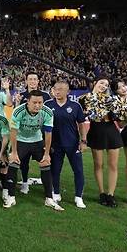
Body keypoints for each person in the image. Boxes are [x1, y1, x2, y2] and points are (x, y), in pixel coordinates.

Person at [6, 90, 63, 211]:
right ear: (28, 102)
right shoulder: (18, 111)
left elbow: (48, 133)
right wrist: (14, 152)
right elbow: (13, 132)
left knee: (45, 163)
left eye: (40, 102)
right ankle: (11, 197)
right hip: (21, 141)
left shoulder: (47, 112)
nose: (37, 105)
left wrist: (47, 154)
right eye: (34, 102)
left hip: (37, 140)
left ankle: (49, 199)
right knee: (13, 162)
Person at [79, 77, 123, 208]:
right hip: (96, 130)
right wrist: (83, 139)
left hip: (111, 130)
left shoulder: (111, 99)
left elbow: (118, 116)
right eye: (101, 83)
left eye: (106, 85)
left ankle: (111, 194)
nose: (104, 86)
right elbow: (81, 118)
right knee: (98, 164)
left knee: (113, 165)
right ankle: (102, 193)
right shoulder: (84, 98)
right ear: (95, 83)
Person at [44, 81, 88, 209]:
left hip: (72, 144)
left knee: (78, 170)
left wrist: (83, 141)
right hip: (55, 145)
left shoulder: (75, 106)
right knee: (55, 170)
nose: (57, 91)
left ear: (68, 91)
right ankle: (56, 193)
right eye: (55, 89)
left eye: (61, 89)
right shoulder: (48, 105)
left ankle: (78, 197)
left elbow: (81, 124)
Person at [15, 72, 51, 195]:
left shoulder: (46, 96)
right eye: (30, 79)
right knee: (23, 162)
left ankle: (46, 183)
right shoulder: (22, 95)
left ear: (38, 81)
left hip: (39, 135)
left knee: (45, 159)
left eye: (35, 79)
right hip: (24, 136)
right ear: (26, 81)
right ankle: (25, 183)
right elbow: (17, 115)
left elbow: (49, 114)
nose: (32, 81)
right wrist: (16, 102)